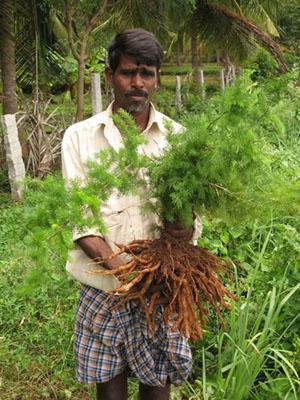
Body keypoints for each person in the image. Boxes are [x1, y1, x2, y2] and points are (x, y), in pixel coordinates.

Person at [62, 29, 200, 400]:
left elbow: (188, 225)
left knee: (158, 386)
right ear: (109, 76)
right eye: (127, 73)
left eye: (147, 73)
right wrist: (123, 271)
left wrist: (178, 235)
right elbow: (82, 220)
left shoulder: (178, 138)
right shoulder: (80, 137)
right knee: (109, 388)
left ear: (157, 78)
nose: (137, 83)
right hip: (104, 288)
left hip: (161, 290)